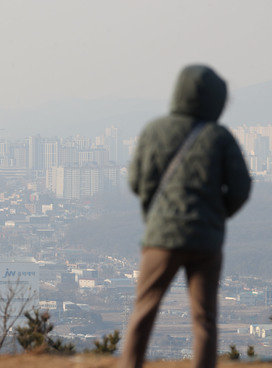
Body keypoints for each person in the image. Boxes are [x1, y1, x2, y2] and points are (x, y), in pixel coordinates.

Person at [120, 65, 251, 368]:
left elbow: (136, 181)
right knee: (204, 317)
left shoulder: (155, 130)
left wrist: (158, 213)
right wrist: (217, 215)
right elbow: (241, 188)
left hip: (161, 238)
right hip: (206, 240)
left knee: (144, 309)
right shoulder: (220, 137)